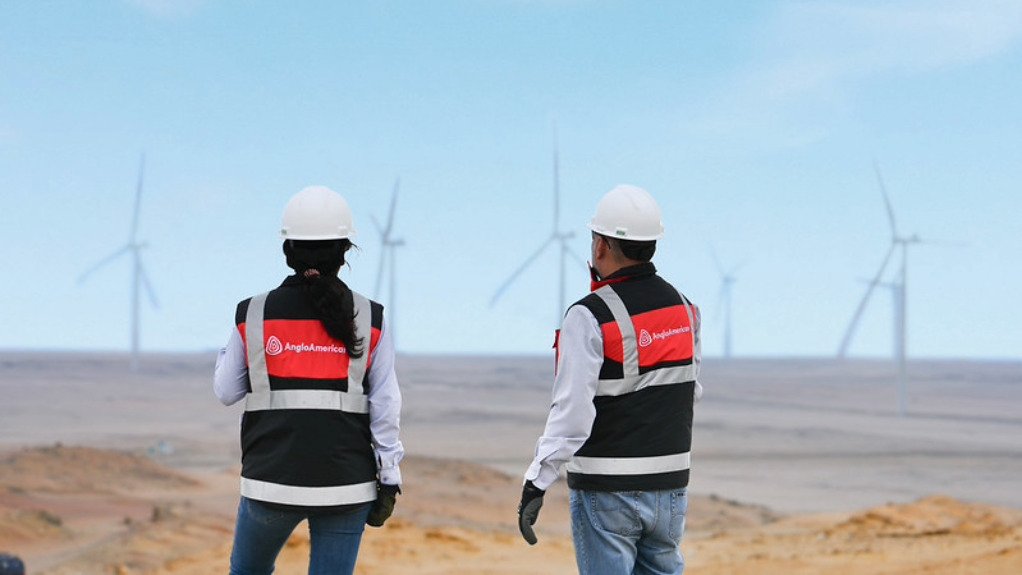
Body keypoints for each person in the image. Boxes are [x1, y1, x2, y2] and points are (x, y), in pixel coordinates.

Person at [214, 185, 404, 575]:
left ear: (288, 250)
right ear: (345, 251)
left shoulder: (252, 313)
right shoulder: (371, 317)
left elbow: (225, 391)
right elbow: (386, 404)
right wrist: (389, 477)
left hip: (271, 481)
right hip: (346, 487)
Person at [517, 185, 702, 575]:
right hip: (671, 487)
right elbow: (689, 391)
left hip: (608, 492)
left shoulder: (589, 316)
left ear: (600, 245)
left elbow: (573, 412)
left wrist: (538, 479)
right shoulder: (686, 310)